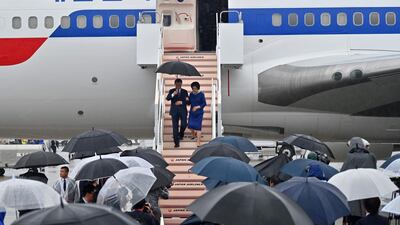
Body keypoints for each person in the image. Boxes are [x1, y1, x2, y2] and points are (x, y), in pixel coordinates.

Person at [166, 78, 189, 148]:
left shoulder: (185, 91)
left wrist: (182, 102)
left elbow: (188, 102)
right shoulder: (171, 91)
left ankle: (181, 134)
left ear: (181, 84)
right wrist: (173, 94)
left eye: (179, 85)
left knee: (184, 125)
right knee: (175, 127)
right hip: (174, 111)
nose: (178, 86)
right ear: (175, 84)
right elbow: (168, 98)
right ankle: (176, 143)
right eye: (177, 85)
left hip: (183, 110)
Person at [188, 82, 207, 147]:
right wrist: (187, 100)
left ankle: (198, 142)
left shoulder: (201, 94)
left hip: (199, 113)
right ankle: (193, 134)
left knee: (198, 127)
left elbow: (204, 103)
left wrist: (197, 107)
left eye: (195, 88)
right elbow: (189, 102)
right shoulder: (191, 94)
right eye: (193, 88)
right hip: (192, 112)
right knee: (190, 125)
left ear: (198, 88)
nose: (194, 90)